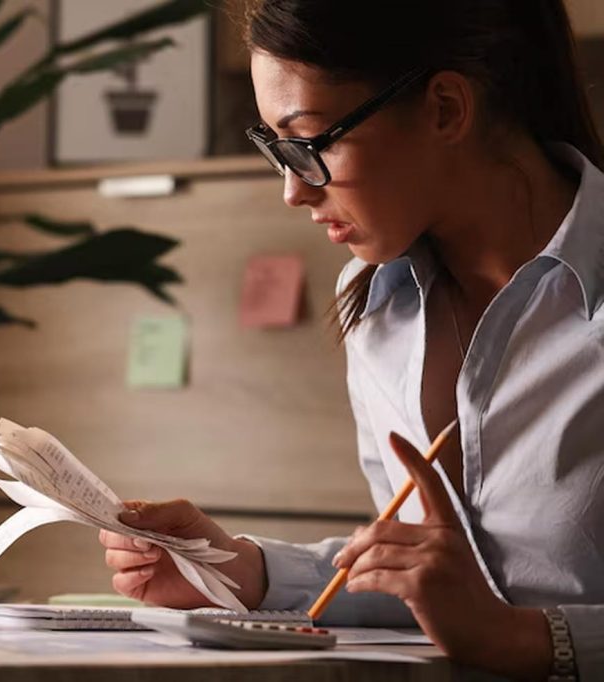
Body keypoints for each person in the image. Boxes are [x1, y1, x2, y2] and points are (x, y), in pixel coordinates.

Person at [98, 1, 604, 679]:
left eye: (308, 144)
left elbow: (497, 621)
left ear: (446, 109)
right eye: (274, 148)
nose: (292, 192)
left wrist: (527, 642)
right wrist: (240, 572)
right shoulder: (372, 303)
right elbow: (433, 582)